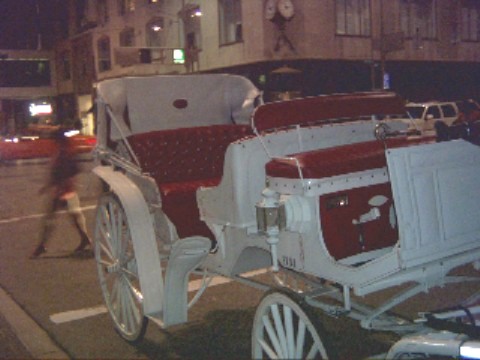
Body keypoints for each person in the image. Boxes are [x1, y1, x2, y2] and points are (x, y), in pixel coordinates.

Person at [31, 129, 92, 258]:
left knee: (51, 219)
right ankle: (84, 239)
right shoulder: (64, 152)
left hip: (63, 191)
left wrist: (52, 186)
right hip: (63, 190)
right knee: (71, 217)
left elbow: (65, 172)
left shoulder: (64, 153)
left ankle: (42, 246)